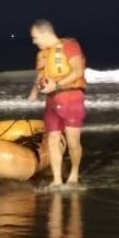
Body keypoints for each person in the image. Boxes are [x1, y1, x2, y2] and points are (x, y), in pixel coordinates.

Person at [27, 19, 87, 188]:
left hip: (71, 99)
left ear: (46, 34)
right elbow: (40, 76)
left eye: (36, 37)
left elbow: (78, 71)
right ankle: (57, 180)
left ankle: (74, 174)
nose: (34, 41)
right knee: (52, 139)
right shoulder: (43, 54)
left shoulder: (69, 45)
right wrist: (34, 91)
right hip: (51, 101)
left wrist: (58, 85)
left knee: (73, 142)